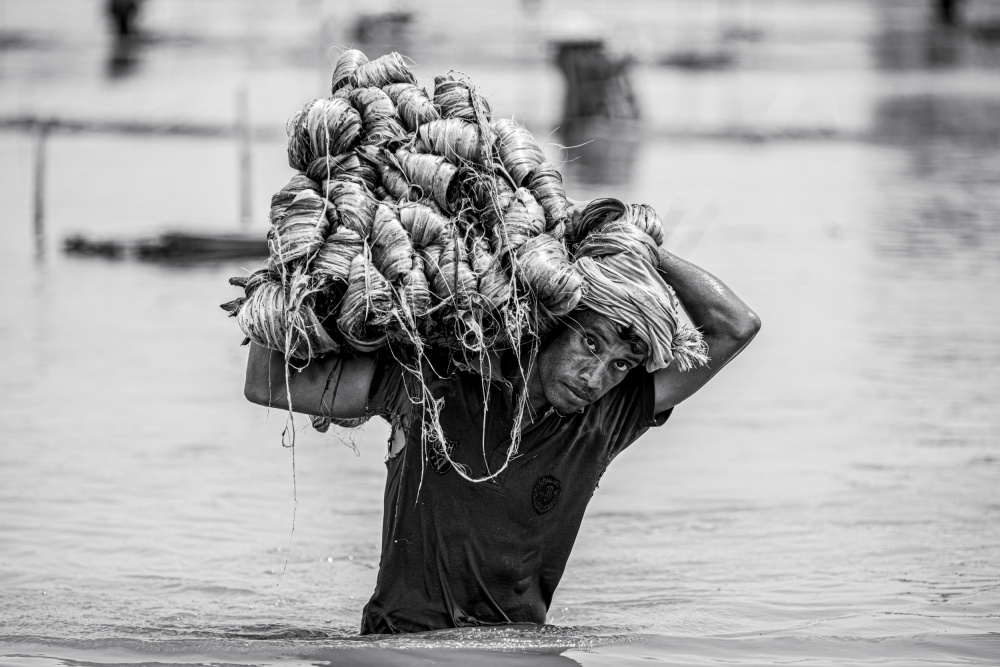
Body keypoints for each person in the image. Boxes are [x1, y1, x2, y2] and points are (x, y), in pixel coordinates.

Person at [244, 229, 760, 635]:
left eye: (623, 365)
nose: (597, 377)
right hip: (398, 647)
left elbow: (736, 326)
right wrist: (285, 279)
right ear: (556, 321)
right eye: (592, 344)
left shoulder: (606, 418)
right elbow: (267, 384)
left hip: (513, 652)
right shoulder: (429, 384)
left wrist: (641, 249)